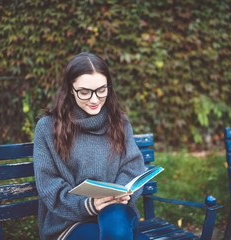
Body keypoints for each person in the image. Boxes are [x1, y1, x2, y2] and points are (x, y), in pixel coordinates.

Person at [33, 52, 149, 240]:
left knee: (116, 227)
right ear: (71, 89)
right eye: (85, 92)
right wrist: (89, 205)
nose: (95, 100)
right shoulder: (47, 127)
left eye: (101, 90)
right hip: (69, 223)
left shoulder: (119, 121)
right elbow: (49, 185)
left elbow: (132, 167)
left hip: (116, 212)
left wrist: (117, 195)